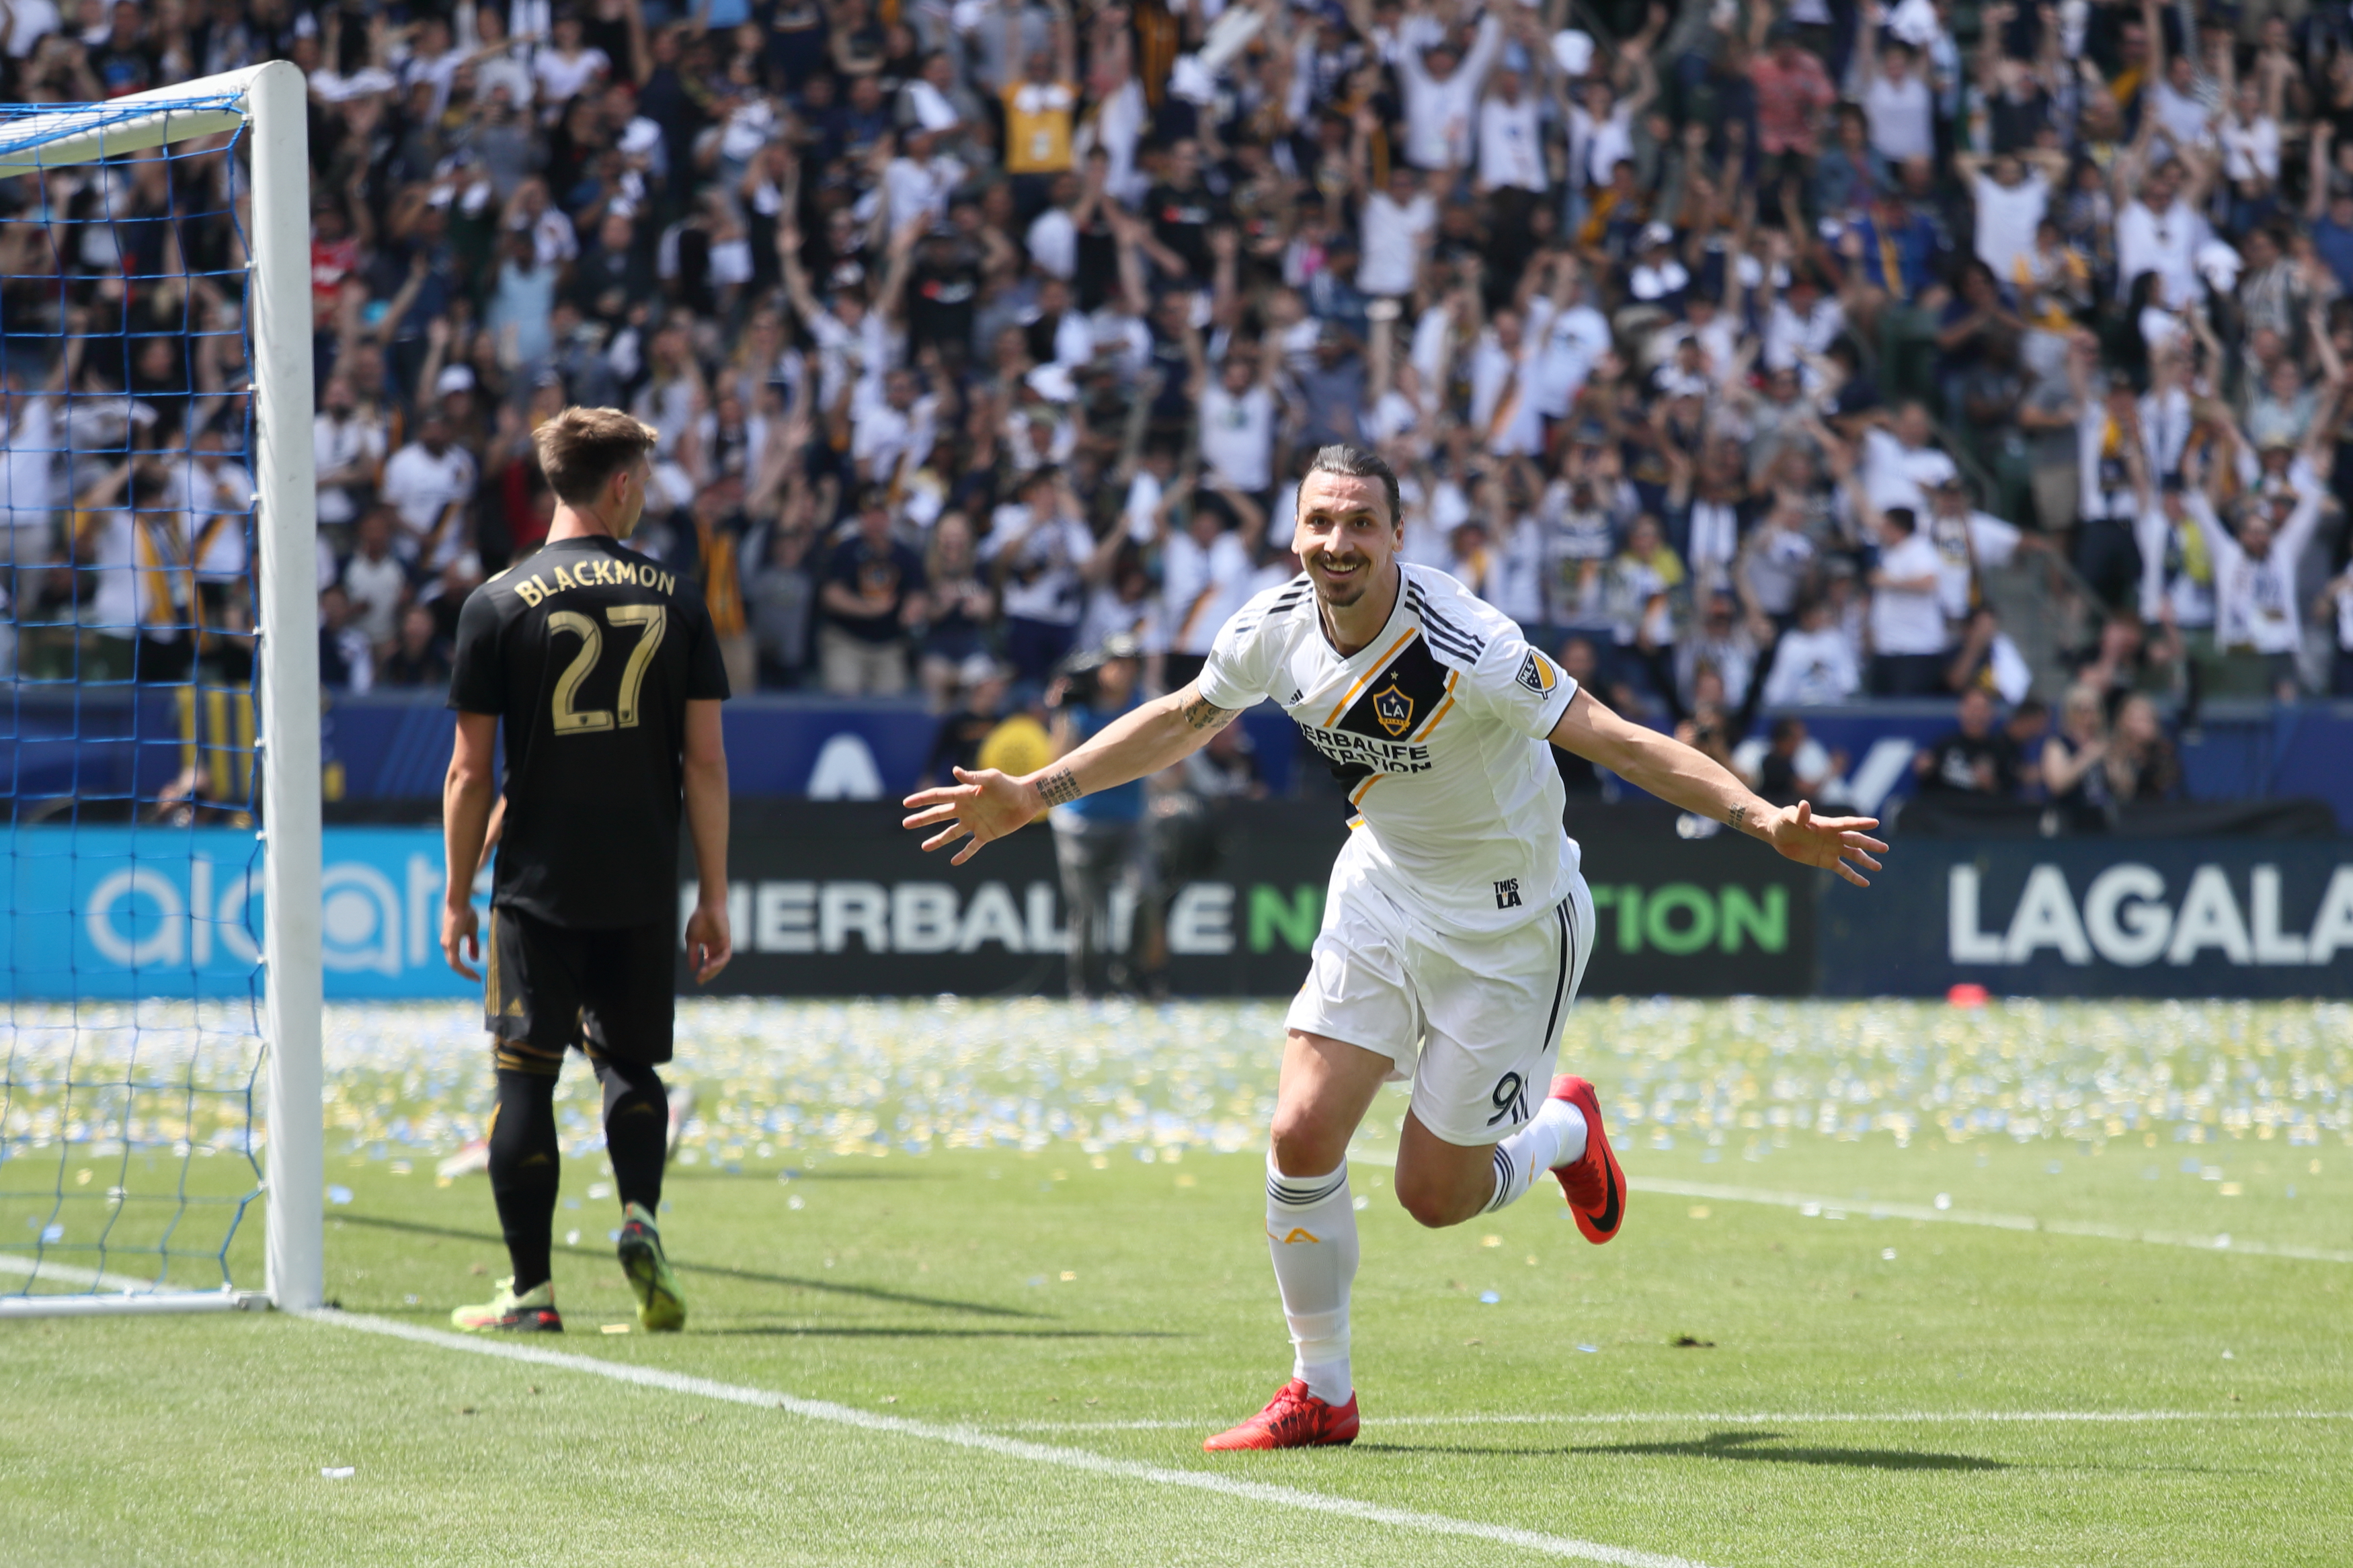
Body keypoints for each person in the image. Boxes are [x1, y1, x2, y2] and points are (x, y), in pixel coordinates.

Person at [902, 445, 1884, 1450]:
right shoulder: (1274, 629)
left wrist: (1765, 820)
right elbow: (1181, 719)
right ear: (1294, 532)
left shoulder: (1469, 642)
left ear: (1397, 537)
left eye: (1361, 523)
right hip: (1380, 888)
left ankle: (1562, 1134)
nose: (1338, 543)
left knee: (1435, 1196)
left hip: (1511, 930)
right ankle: (1321, 1390)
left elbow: (1619, 738)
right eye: (1321, 522)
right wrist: (1037, 792)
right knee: (1298, 1135)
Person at [440, 407, 734, 1336]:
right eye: (641, 478)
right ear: (616, 484)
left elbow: (469, 770)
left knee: (523, 1077)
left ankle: (531, 1293)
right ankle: (640, 1219)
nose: (644, 493)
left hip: (537, 883)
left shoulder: (494, 602)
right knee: (631, 1067)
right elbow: (707, 765)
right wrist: (714, 894)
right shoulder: (678, 601)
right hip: (642, 879)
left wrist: (456, 894)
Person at [1045, 634, 1146, 997]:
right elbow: (1056, 764)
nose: (1124, 672)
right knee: (1089, 914)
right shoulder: (1079, 706)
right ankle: (1086, 990)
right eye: (1117, 663)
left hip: (1129, 821)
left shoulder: (1142, 703)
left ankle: (1133, 977)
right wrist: (1059, 712)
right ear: (1102, 667)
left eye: (1131, 664)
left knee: (1145, 893)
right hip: (1079, 824)